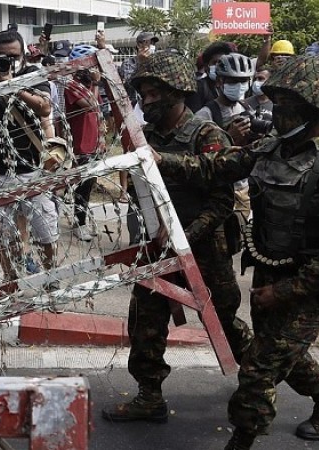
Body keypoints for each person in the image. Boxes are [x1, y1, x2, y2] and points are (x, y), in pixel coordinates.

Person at [153, 55, 319, 450]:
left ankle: (243, 438)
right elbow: (215, 167)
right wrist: (159, 160)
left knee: (258, 369)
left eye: (284, 104)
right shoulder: (274, 148)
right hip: (270, 271)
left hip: (308, 285)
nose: (274, 111)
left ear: (312, 107)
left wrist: (282, 292)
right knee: (286, 353)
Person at [102, 52, 252, 424]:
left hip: (205, 251)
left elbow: (222, 201)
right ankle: (149, 396)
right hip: (158, 249)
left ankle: (258, 380)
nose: (148, 101)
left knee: (226, 322)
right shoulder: (144, 138)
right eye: (145, 94)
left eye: (155, 94)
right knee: (145, 322)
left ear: (178, 92)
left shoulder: (206, 135)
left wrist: (184, 240)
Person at [0, 29, 58, 288]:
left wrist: (12, 86)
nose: (8, 60)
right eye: (2, 56)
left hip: (31, 167)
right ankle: (10, 278)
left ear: (23, 55)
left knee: (45, 230)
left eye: (13, 56)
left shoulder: (31, 75)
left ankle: (51, 276)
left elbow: (44, 107)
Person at [64, 44, 104, 241]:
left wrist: (101, 140)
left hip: (93, 142)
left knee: (88, 184)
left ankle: (80, 219)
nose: (95, 71)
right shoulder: (72, 85)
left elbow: (99, 114)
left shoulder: (88, 85)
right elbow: (91, 105)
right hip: (80, 143)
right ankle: (79, 223)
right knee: (80, 185)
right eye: (92, 66)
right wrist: (96, 85)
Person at [195, 53, 255, 146]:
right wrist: (228, 136)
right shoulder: (205, 115)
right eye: (233, 81)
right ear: (219, 81)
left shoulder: (246, 107)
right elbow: (198, 155)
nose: (239, 86)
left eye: (243, 81)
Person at [186, 41, 233, 112]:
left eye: (222, 63)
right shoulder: (198, 88)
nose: (218, 67)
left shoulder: (229, 86)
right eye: (215, 63)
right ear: (206, 66)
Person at [118, 31, 159, 106]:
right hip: (135, 104)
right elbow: (129, 84)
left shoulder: (157, 62)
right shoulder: (129, 63)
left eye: (153, 43)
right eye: (148, 42)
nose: (152, 45)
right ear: (139, 45)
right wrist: (141, 63)